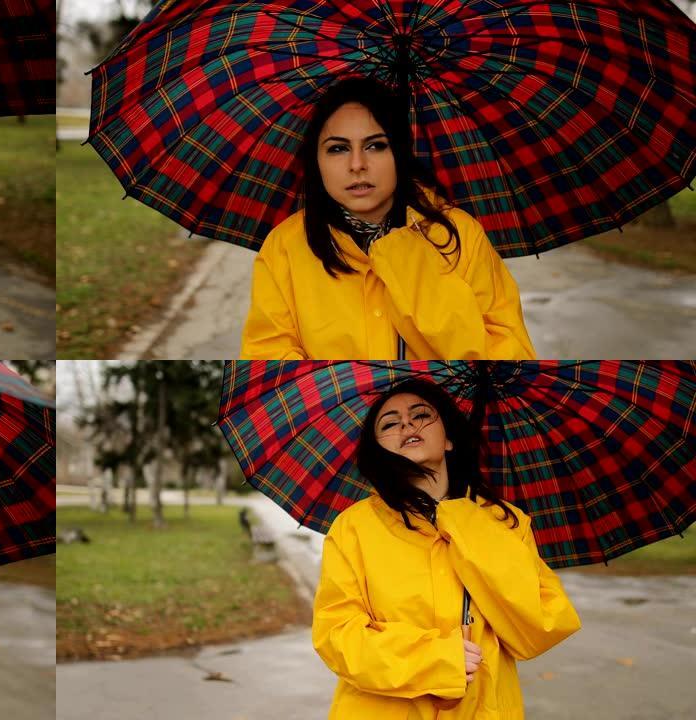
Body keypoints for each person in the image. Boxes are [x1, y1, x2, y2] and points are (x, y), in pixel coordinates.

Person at [312, 378, 580, 718]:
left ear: (449, 438)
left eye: (421, 415)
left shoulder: (506, 522)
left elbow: (539, 626)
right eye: (390, 423)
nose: (406, 424)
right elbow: (337, 636)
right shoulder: (353, 528)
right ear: (378, 449)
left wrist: (467, 525)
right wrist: (437, 660)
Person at [240, 77, 535, 360]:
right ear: (316, 161)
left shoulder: (461, 235)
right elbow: (269, 354)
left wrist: (408, 265)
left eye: (376, 145)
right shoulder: (284, 248)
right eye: (338, 148)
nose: (357, 165)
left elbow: (508, 351)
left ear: (399, 152)